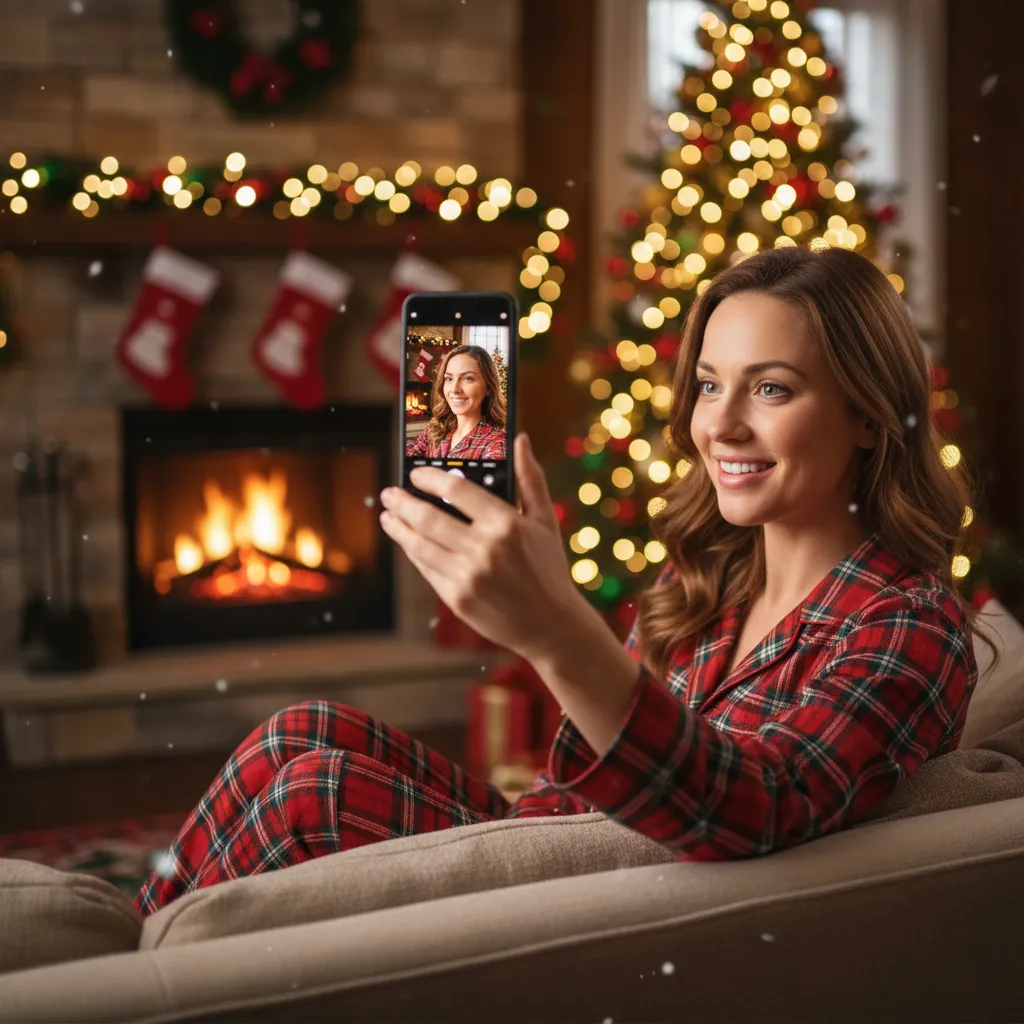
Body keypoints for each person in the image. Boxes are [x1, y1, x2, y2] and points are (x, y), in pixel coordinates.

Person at [134, 245, 996, 917]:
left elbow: (760, 806)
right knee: (301, 731)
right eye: (706, 385)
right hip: (566, 845)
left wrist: (556, 630)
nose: (720, 425)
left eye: (770, 389)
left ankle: (148, 979)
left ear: (870, 419)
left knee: (309, 796)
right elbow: (570, 788)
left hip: (609, 907)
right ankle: (140, 949)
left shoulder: (908, 623)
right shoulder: (712, 582)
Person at [405, 345, 507, 460]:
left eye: (468, 378)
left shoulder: (497, 444)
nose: (454, 389)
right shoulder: (438, 426)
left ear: (488, 387)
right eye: (449, 378)